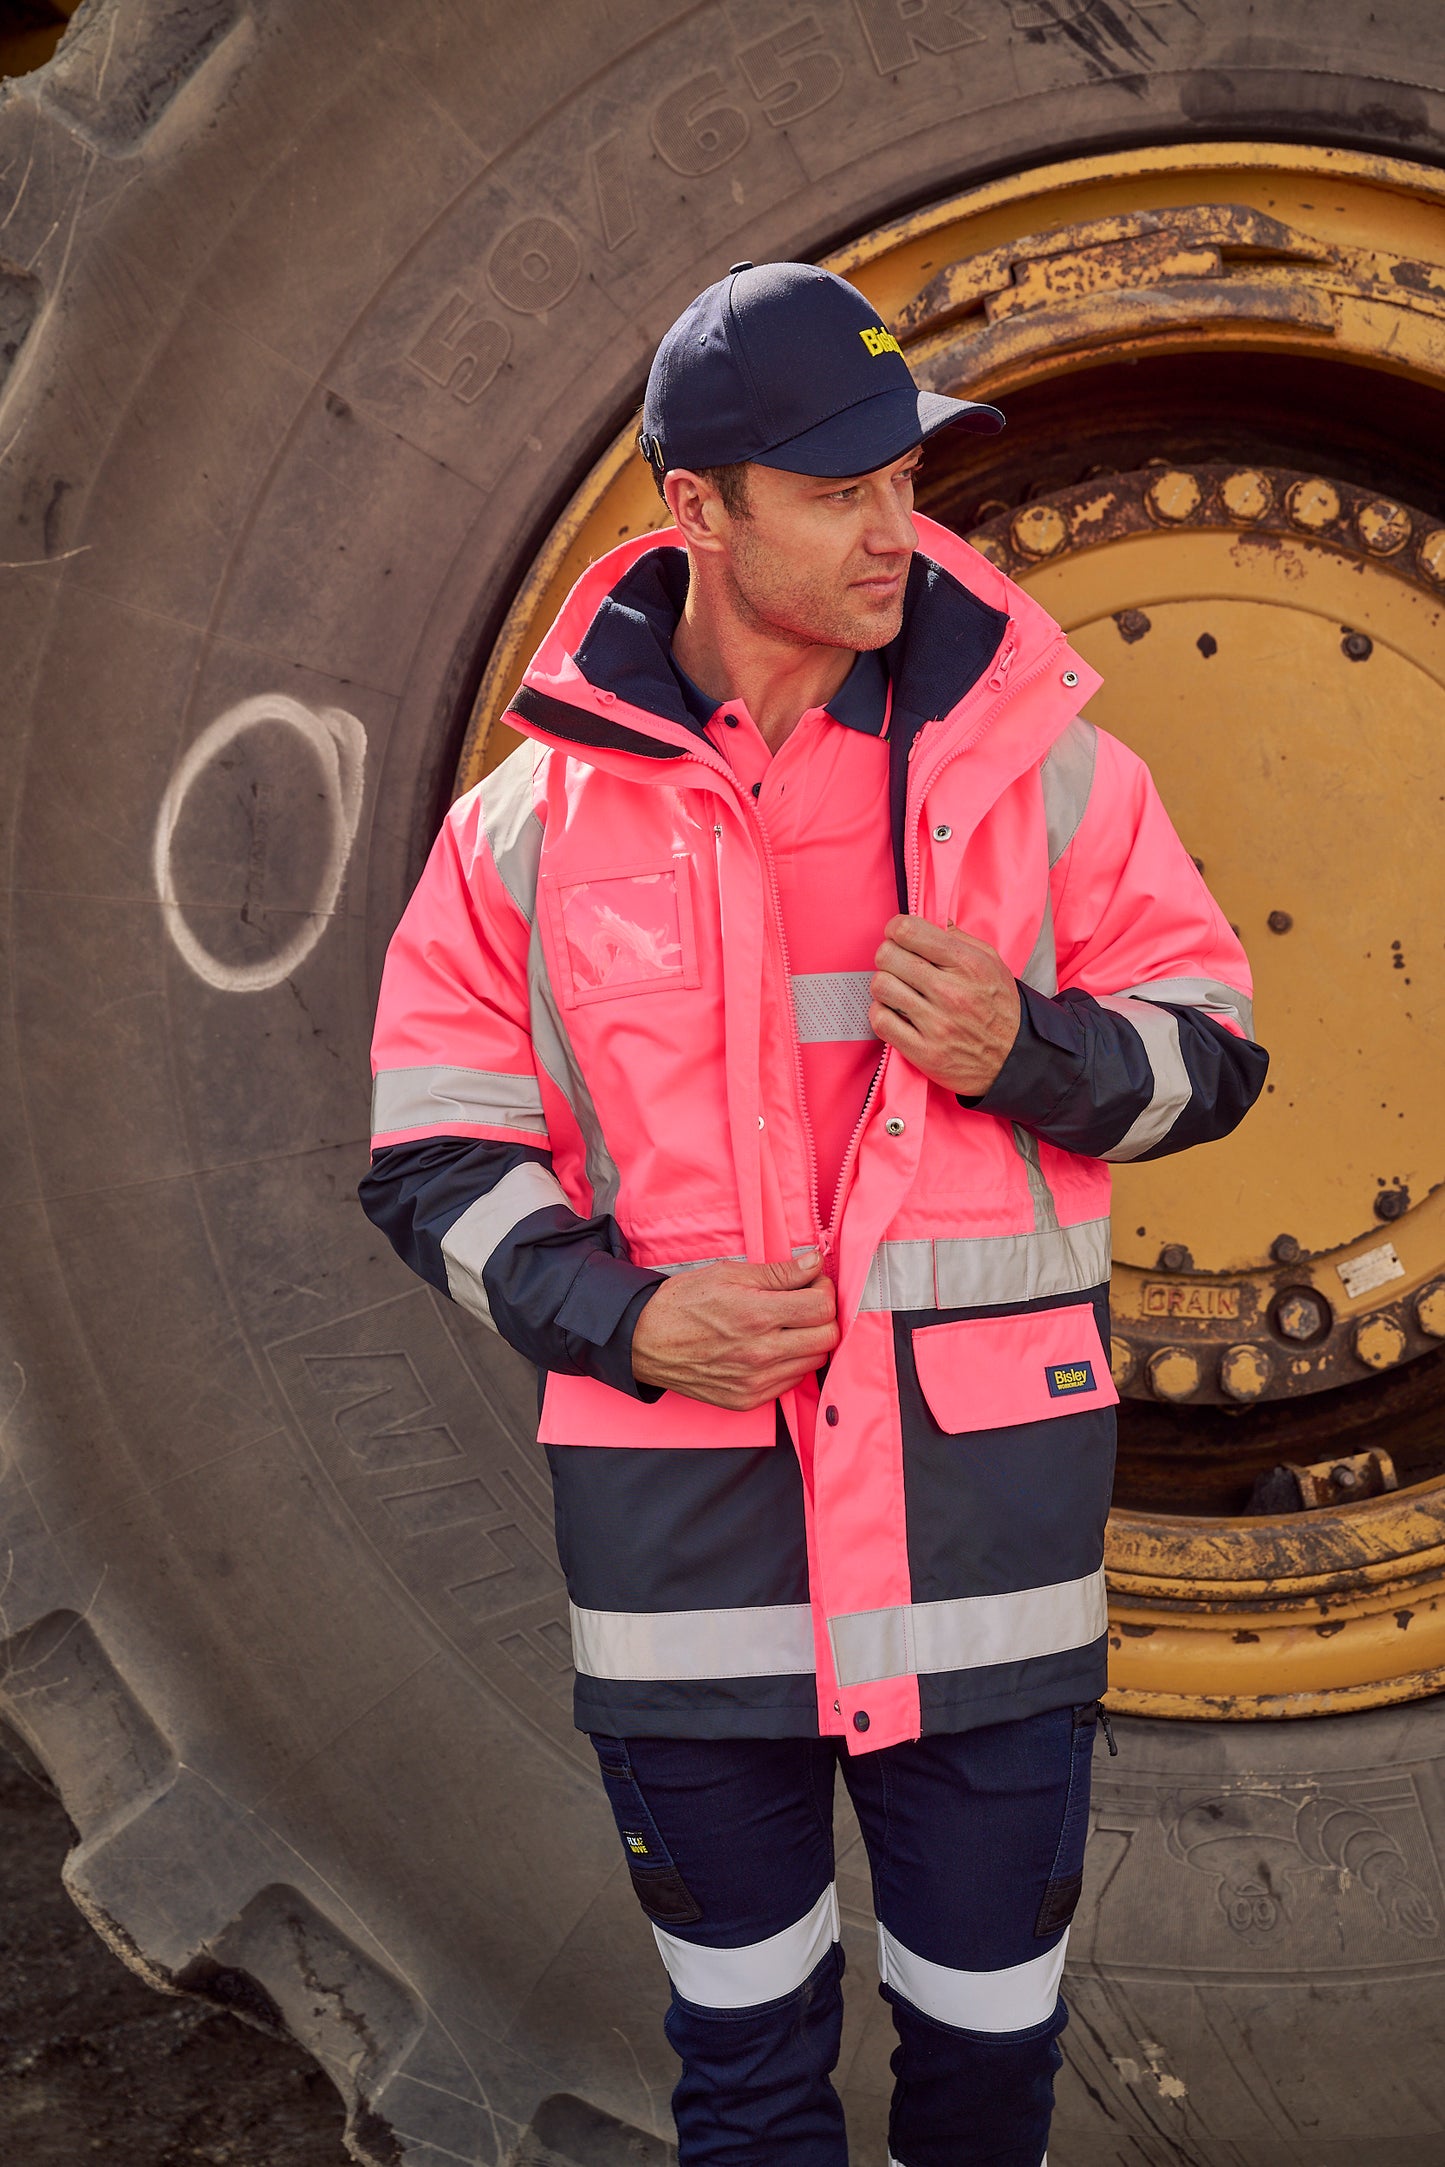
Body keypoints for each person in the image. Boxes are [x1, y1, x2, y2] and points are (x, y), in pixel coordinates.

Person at [359, 261, 1268, 2166]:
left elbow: (1211, 1057)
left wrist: (1033, 1050)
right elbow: (431, 1153)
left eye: (904, 480)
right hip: (685, 1561)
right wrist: (626, 1320)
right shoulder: (522, 833)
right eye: (837, 489)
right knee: (747, 2075)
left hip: (980, 1552)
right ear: (695, 506)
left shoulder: (1050, 780)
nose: (891, 529)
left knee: (985, 2070)